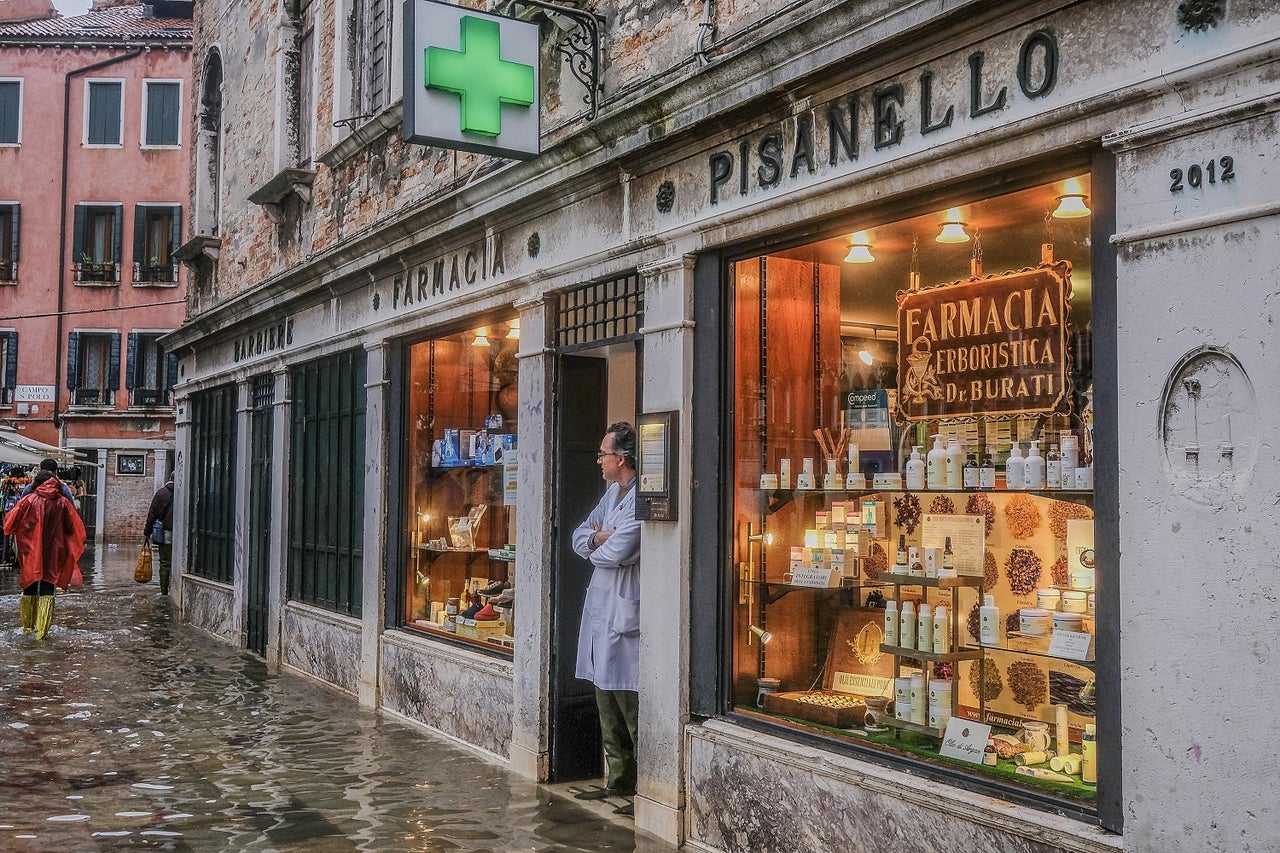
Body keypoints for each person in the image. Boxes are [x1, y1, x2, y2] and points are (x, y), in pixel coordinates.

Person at [570, 422, 642, 816]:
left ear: (622, 458)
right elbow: (579, 536)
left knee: (629, 701)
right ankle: (616, 781)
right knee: (604, 695)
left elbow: (624, 550)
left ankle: (639, 789)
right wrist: (600, 538)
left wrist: (600, 544)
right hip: (602, 606)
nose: (599, 460)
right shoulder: (612, 492)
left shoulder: (642, 494)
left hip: (625, 607)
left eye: (604, 454)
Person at [3, 469, 87, 639]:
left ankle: (27, 628)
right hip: (54, 552)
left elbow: (10, 524)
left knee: (29, 586)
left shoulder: (27, 500)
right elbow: (72, 528)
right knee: (48, 587)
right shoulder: (62, 503)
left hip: (30, 552)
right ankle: (42, 634)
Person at [143, 479, 175, 595]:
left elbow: (152, 514)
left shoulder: (161, 493)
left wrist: (147, 531)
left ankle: (164, 591)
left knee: (165, 563)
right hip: (183, 533)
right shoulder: (184, 492)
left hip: (166, 532)